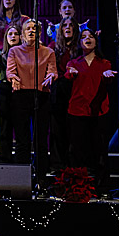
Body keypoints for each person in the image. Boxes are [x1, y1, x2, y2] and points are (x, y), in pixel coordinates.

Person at [65, 29, 116, 193]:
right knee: (77, 151)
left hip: (98, 112)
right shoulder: (73, 63)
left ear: (96, 41)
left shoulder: (104, 63)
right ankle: (78, 187)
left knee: (100, 150)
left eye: (91, 37)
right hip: (77, 111)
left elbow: (107, 77)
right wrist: (70, 73)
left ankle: (102, 187)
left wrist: (108, 76)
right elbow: (68, 75)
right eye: (84, 37)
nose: (88, 39)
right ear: (79, 42)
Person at [6, 20, 58, 181]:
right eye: (28, 29)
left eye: (34, 29)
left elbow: (53, 71)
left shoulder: (48, 52)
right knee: (22, 141)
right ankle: (21, 181)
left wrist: (51, 76)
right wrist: (13, 78)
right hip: (21, 96)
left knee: (40, 140)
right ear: (22, 34)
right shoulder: (14, 51)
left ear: (39, 33)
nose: (31, 31)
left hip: (41, 96)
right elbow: (10, 71)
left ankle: (41, 179)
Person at [47, 17, 78, 172]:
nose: (67, 28)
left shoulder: (79, 48)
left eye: (71, 25)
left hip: (76, 92)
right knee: (57, 130)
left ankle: (74, 167)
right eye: (64, 25)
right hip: (58, 92)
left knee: (74, 131)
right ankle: (57, 165)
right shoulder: (53, 47)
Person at [0, 23, 22, 163]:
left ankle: (20, 161)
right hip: (5, 91)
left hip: (20, 92)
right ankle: (4, 160)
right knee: (5, 127)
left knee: (20, 128)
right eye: (10, 34)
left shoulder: (25, 54)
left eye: (16, 34)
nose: (13, 36)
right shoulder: (1, 55)